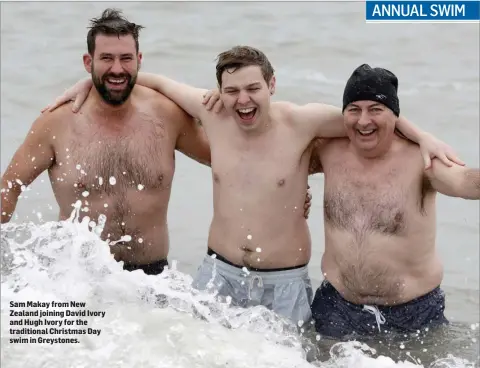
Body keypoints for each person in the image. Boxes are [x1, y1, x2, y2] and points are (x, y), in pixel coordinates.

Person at [41, 46, 462, 325]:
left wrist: (423, 136)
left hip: (285, 283)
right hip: (217, 273)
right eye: (232, 91)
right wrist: (91, 83)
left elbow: (370, 117)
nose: (243, 100)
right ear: (219, 93)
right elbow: (149, 80)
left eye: (253, 88)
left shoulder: (304, 121)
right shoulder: (213, 115)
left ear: (272, 86)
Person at [0, 9, 214, 276]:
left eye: (126, 58)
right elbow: (9, 187)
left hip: (153, 277)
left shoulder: (168, 115)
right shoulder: (56, 123)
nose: (117, 69)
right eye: (106, 59)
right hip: (76, 278)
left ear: (139, 60)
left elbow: (225, 162)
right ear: (88, 62)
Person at [307, 64, 480, 338]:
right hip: (335, 307)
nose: (364, 121)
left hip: (413, 313)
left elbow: (465, 182)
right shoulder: (329, 152)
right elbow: (277, 159)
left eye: (375, 110)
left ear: (395, 117)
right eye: (354, 110)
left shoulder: (420, 161)